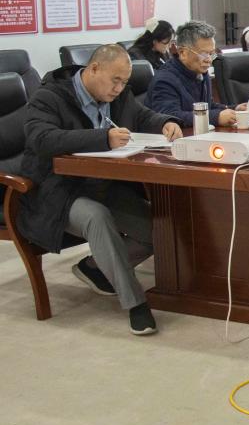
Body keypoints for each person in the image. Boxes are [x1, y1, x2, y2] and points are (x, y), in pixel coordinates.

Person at [18, 44, 183, 335]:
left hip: (102, 184)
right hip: (55, 192)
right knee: (97, 217)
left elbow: (142, 116)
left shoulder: (118, 96)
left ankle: (94, 268)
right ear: (93, 69)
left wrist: (165, 123)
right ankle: (136, 304)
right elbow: (42, 139)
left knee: (159, 229)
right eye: (115, 80)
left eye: (124, 82)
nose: (119, 88)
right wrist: (101, 138)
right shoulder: (49, 97)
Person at [146, 20, 245, 127]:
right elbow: (170, 116)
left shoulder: (201, 73)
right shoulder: (165, 80)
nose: (209, 60)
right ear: (183, 53)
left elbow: (207, 106)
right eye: (204, 54)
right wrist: (216, 117)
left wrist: (234, 109)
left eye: (211, 54)